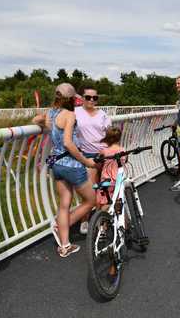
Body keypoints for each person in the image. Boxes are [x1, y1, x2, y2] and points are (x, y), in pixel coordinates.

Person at [33, 83, 96, 258]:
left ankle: (65, 245)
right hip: (72, 165)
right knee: (92, 200)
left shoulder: (52, 114)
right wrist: (86, 161)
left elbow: (35, 120)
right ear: (72, 99)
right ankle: (61, 226)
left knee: (64, 203)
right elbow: (68, 143)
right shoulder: (69, 115)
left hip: (57, 164)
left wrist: (41, 122)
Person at [74, 85, 111, 232]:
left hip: (104, 155)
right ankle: (85, 220)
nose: (91, 100)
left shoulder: (103, 115)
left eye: (94, 98)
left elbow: (109, 136)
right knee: (90, 191)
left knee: (105, 190)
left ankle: (103, 222)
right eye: (88, 97)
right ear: (82, 98)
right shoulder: (75, 113)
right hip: (88, 156)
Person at [96, 127, 125, 210]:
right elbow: (125, 161)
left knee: (103, 199)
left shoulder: (104, 151)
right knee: (118, 200)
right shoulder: (122, 150)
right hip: (118, 180)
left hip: (106, 180)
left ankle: (98, 216)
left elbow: (99, 163)